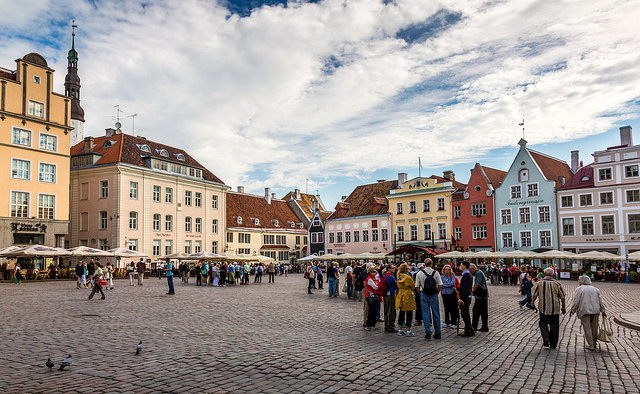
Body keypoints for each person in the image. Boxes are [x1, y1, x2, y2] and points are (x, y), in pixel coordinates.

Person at [531, 268, 567, 349]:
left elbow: (535, 294)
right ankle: (553, 344)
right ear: (553, 274)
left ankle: (546, 337)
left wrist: (532, 302)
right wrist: (563, 307)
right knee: (554, 325)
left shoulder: (539, 283)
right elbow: (562, 296)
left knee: (543, 323)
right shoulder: (557, 283)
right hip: (555, 308)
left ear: (544, 274)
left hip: (543, 307)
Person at [569, 275, 606, 350]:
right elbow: (600, 301)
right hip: (595, 310)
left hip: (584, 310)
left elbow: (576, 301)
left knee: (587, 328)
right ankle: (594, 343)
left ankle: (591, 344)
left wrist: (572, 310)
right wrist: (603, 311)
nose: (578, 281)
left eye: (579, 280)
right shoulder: (595, 289)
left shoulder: (579, 289)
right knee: (594, 327)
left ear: (582, 281)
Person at [415, 259, 442, 340]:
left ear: (424, 264)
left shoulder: (420, 273)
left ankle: (428, 332)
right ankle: (438, 332)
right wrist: (437, 292)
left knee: (425, 314)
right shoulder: (436, 273)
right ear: (431, 264)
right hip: (433, 294)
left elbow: (417, 286)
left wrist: (420, 293)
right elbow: (440, 285)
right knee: (436, 313)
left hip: (424, 293)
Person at [395, 263, 416, 337]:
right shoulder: (408, 277)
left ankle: (400, 329)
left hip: (400, 295)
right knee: (409, 313)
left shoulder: (399, 276)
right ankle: (408, 330)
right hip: (407, 295)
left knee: (401, 312)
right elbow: (413, 286)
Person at [470, 264, 489, 332]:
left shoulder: (478, 273)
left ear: (473, 269)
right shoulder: (479, 273)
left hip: (481, 295)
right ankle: (484, 326)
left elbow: (477, 284)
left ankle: (474, 326)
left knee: (476, 311)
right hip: (483, 294)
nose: (470, 272)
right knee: (483, 312)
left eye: (470, 270)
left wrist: (472, 291)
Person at [458, 261, 474, 337]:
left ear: (464, 266)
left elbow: (466, 289)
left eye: (461, 265)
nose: (460, 266)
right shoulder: (467, 275)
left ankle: (468, 330)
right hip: (467, 297)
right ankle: (470, 329)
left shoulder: (466, 275)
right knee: (465, 313)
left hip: (465, 298)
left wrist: (461, 298)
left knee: (465, 314)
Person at [441, 264, 459, 329]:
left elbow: (452, 284)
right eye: (446, 269)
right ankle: (446, 322)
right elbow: (440, 284)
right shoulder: (442, 277)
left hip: (452, 294)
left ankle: (453, 322)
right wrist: (448, 285)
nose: (447, 270)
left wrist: (445, 285)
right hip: (445, 294)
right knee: (446, 308)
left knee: (453, 309)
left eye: (448, 269)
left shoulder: (452, 276)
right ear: (444, 270)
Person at [382, 265, 398, 333]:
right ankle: (391, 327)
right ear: (389, 269)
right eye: (393, 268)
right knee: (391, 311)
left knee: (386, 311)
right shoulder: (391, 277)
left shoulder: (384, 275)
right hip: (390, 295)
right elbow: (396, 285)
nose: (394, 269)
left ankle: (386, 326)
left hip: (385, 294)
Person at [364, 266, 381, 331]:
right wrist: (379, 286)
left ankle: (373, 324)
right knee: (371, 311)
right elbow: (375, 287)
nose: (375, 273)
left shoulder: (373, 278)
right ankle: (369, 324)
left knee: (373, 310)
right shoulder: (369, 279)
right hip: (370, 296)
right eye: (374, 272)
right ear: (370, 272)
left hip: (372, 296)